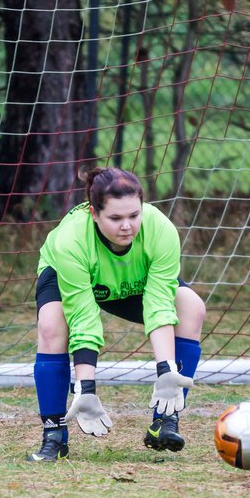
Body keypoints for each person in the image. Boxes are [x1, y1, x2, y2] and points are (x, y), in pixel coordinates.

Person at [27, 166, 206, 462]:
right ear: (93, 214)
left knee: (191, 307)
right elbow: (83, 316)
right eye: (115, 218)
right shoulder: (71, 240)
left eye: (134, 216)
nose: (127, 226)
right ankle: (54, 435)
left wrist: (166, 370)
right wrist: (86, 388)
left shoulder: (161, 230)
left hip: (134, 282)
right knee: (51, 325)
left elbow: (159, 304)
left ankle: (165, 420)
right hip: (76, 277)